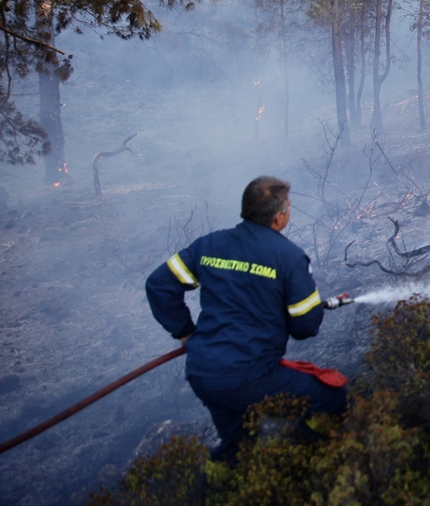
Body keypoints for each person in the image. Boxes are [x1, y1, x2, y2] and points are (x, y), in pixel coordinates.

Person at [146, 176, 347, 462]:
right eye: (288, 207)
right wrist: (298, 309)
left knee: (239, 448)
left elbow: (159, 285)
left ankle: (229, 480)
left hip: (203, 372)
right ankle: (318, 459)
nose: (289, 212)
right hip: (251, 374)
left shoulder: (209, 245)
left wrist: (185, 332)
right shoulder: (288, 257)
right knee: (333, 396)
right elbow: (305, 327)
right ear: (279, 217)